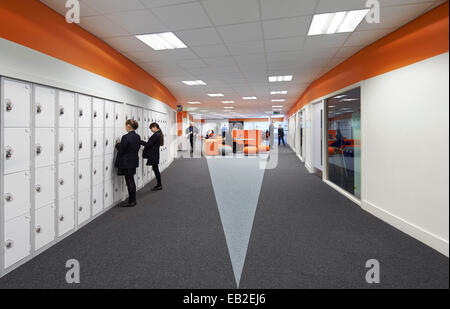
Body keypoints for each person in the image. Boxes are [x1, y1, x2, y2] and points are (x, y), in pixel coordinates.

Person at [115, 119, 141, 207]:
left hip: (126, 162)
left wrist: (118, 144)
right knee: (131, 180)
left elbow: (122, 149)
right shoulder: (137, 136)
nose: (125, 127)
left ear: (129, 126)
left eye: (126, 125)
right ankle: (132, 199)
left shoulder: (126, 137)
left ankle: (132, 201)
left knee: (129, 180)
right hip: (133, 161)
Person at [141, 122, 164, 191]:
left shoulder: (156, 135)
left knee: (156, 170)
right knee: (155, 169)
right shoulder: (159, 134)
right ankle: (159, 184)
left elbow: (148, 145)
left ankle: (159, 185)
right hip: (155, 154)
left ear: (154, 127)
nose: (151, 130)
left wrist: (140, 141)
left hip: (153, 155)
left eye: (151, 128)